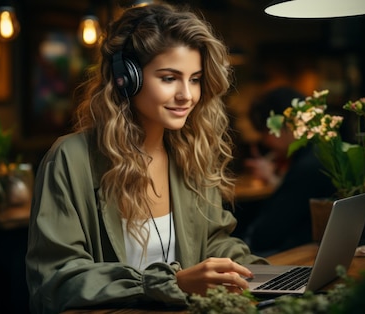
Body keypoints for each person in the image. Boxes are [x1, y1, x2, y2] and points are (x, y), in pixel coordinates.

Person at [25, 4, 267, 313]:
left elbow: (212, 241)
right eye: (169, 78)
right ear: (127, 78)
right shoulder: (71, 159)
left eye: (194, 79)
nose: (187, 95)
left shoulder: (189, 152)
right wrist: (170, 284)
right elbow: (55, 280)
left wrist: (258, 272)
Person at [242, 87, 336, 256]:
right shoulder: (324, 151)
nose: (266, 141)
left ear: (284, 125)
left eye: (265, 132)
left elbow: (265, 235)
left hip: (300, 254)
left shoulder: (308, 166)